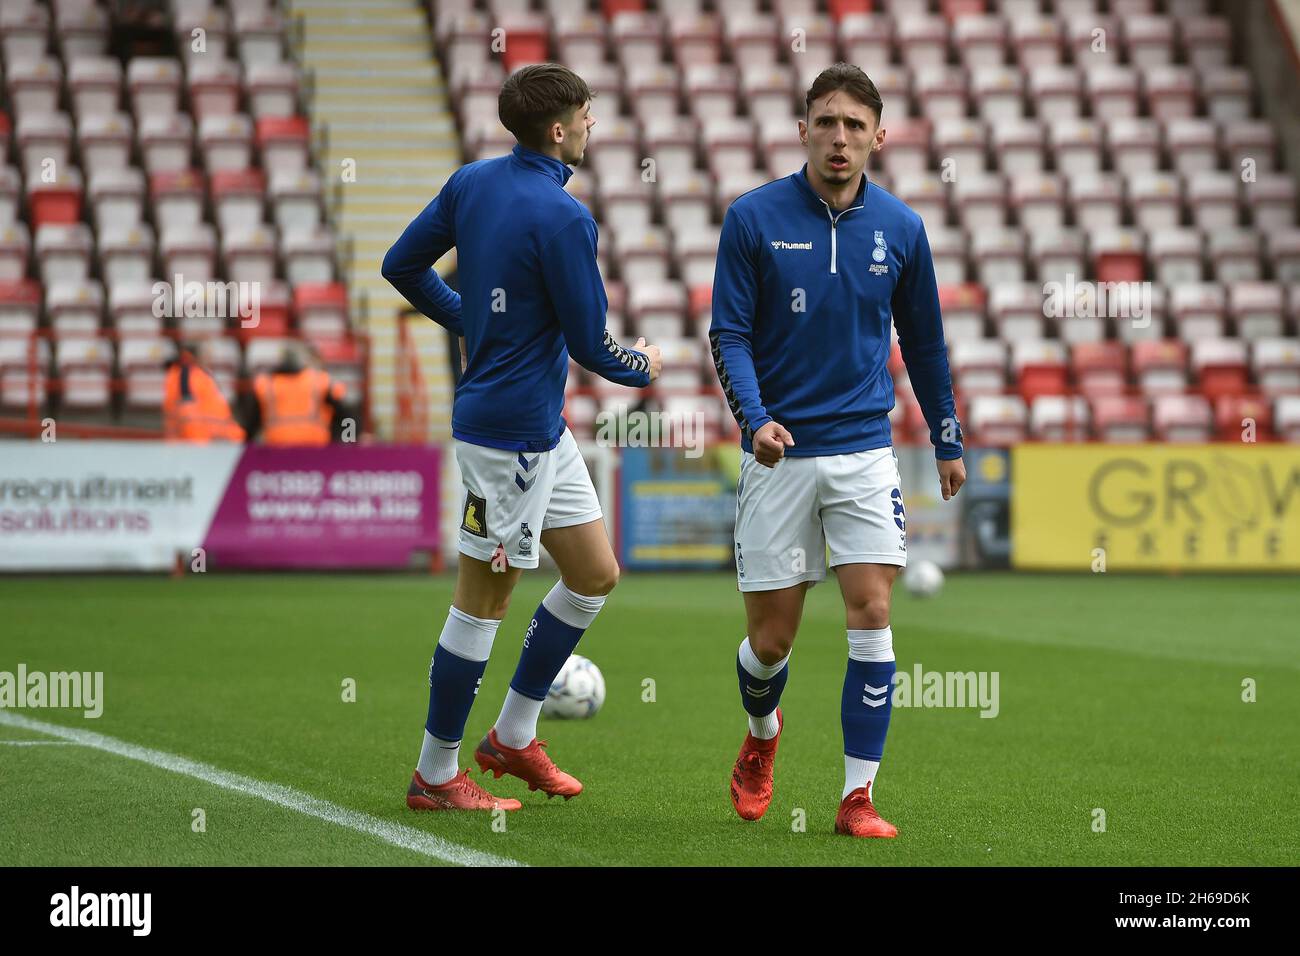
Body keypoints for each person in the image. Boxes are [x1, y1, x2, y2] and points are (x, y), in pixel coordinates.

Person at [382, 63, 662, 812]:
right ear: (560, 129)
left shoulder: (472, 182)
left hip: (541, 429)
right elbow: (593, 347)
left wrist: (467, 316)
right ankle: (436, 775)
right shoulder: (565, 217)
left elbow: (400, 265)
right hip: (508, 439)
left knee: (595, 573)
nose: (594, 124)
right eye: (587, 114)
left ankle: (512, 736)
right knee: (483, 602)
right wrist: (646, 366)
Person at [709, 63, 967, 839]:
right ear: (803, 131)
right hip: (779, 455)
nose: (840, 138)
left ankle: (857, 798)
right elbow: (729, 333)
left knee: (874, 611)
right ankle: (762, 738)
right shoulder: (752, 218)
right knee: (769, 643)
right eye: (827, 122)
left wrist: (947, 437)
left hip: (864, 449)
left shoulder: (903, 229)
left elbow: (924, 341)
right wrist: (753, 419)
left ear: (879, 137)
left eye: (856, 125)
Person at [246, 345, 348, 446]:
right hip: (315, 447)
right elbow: (343, 414)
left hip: (277, 446)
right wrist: (342, 441)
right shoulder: (319, 380)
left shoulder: (265, 384)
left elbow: (252, 422)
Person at [162, 342, 245, 443]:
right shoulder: (186, 376)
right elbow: (189, 415)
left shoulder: (196, 375)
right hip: (202, 445)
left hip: (215, 443)